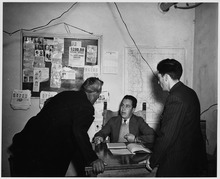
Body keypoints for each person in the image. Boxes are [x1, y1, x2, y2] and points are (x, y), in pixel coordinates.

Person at [8, 77, 106, 177]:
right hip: (42, 157)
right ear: (95, 93)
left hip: (24, 145)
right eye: (98, 95)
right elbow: (79, 132)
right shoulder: (86, 107)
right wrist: (93, 158)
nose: (96, 99)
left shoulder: (65, 94)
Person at [145, 58, 207, 177]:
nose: (158, 83)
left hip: (176, 163)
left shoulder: (175, 98)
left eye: (159, 79)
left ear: (166, 77)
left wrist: (152, 160)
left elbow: (167, 135)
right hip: (191, 161)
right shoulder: (190, 92)